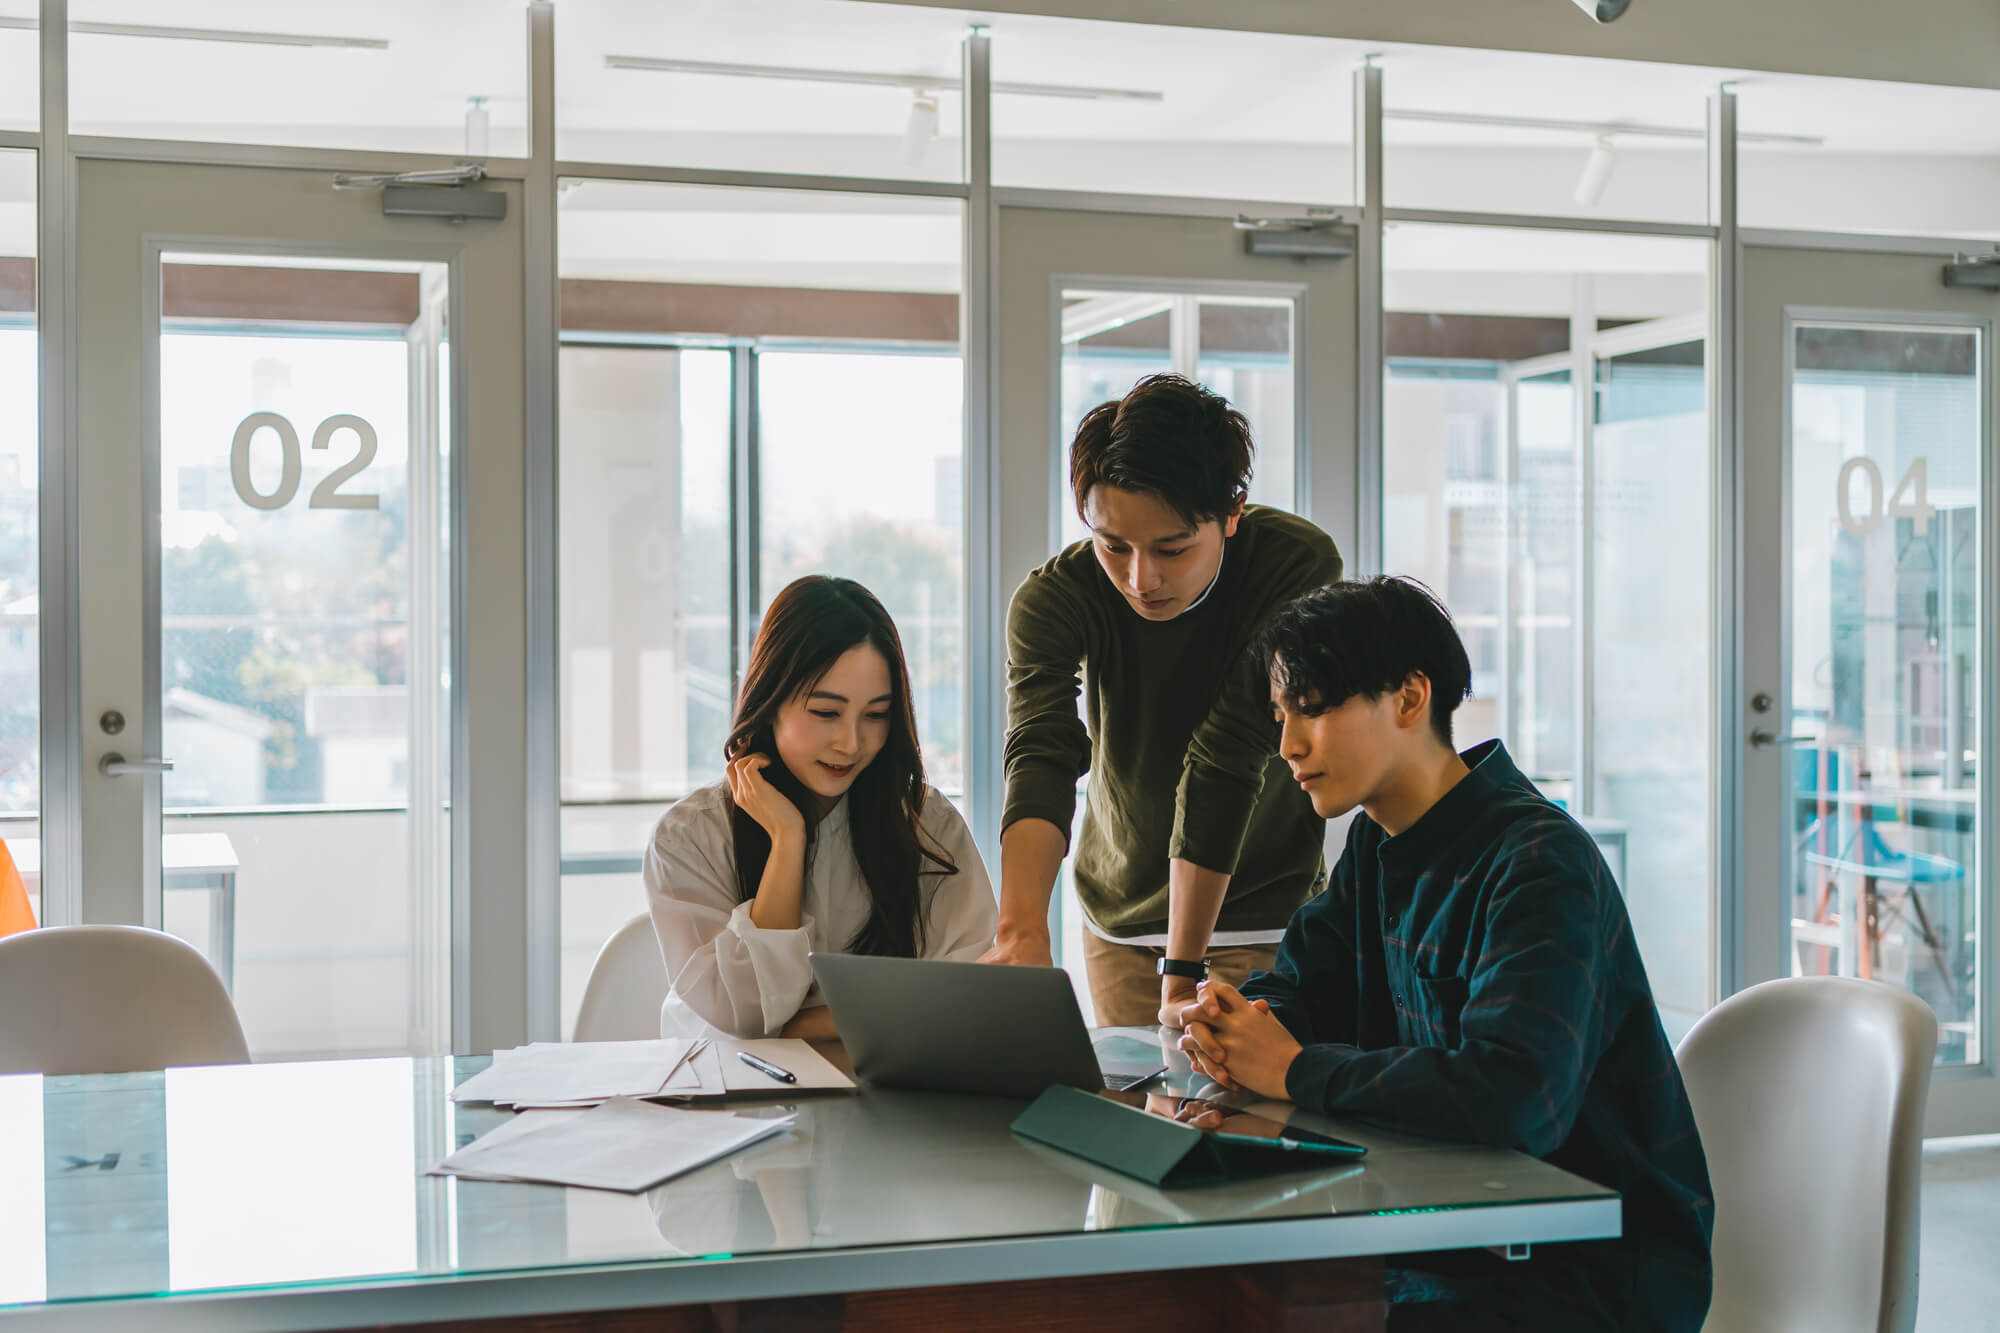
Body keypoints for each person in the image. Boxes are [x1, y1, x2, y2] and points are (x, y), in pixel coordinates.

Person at [1175, 577, 1713, 1332]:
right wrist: (1239, 1025)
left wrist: (1293, 1067)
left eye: (1315, 708)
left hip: (1590, 1270)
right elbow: (1301, 985)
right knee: (1215, 1284)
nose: (1289, 744)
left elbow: (1515, 1095)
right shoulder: (1375, 841)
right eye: (1280, 716)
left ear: (1408, 697)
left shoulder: (1539, 862)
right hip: (1450, 1235)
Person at [985, 373, 1343, 1027]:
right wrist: (1020, 929)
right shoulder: (1055, 598)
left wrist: (1181, 972)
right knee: (1135, 1119)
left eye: (1171, 549)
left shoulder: (1294, 564)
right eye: (1112, 545)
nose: (1139, 578)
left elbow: (1228, 751)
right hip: (1118, 921)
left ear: (1232, 512)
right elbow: (1041, 752)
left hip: (1261, 919)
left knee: (1243, 1123)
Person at [644, 576, 997, 1040]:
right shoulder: (690, 835)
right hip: (729, 1096)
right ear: (770, 702)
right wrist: (787, 840)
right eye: (826, 713)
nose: (851, 743)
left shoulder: (927, 823)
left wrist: (799, 1028)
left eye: (876, 715)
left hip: (879, 1090)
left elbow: (963, 997)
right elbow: (745, 1014)